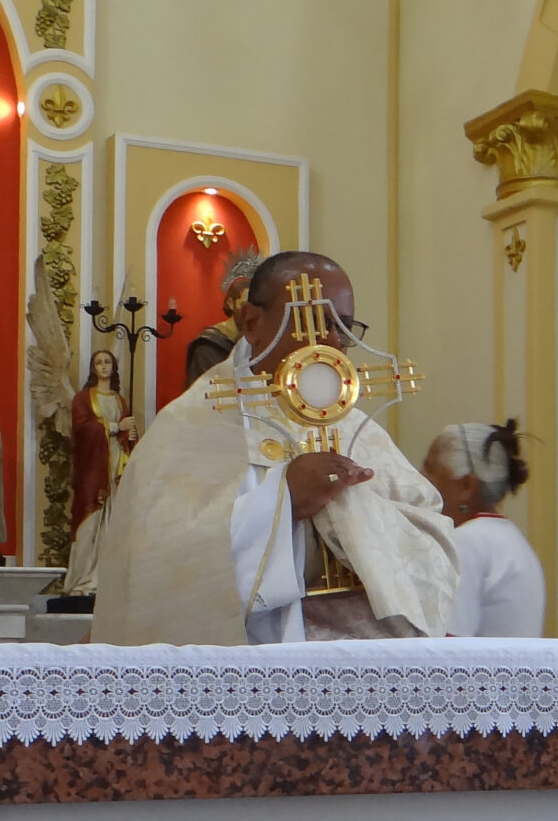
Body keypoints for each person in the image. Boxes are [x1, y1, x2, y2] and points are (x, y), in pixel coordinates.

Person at [90, 251, 457, 644]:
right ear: (251, 322)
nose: (333, 341)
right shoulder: (192, 424)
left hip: (367, 660)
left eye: (345, 327)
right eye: (314, 321)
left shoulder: (357, 427)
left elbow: (433, 536)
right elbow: (151, 559)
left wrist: (355, 513)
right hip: (246, 664)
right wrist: (283, 502)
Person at [423, 420, 544, 637]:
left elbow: (448, 644)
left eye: (430, 469)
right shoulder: (512, 538)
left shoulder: (465, 542)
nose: (420, 478)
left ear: (466, 485)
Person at [61, 349, 136, 591]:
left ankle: (105, 581)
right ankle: (82, 579)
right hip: (93, 468)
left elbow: (126, 436)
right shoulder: (83, 398)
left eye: (107, 362)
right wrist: (115, 427)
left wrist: (129, 436)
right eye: (99, 362)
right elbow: (82, 430)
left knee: (113, 522)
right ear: (93, 368)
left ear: (114, 368)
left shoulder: (119, 400)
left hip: (115, 466)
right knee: (90, 522)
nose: (103, 366)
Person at [184, 249, 261, 388]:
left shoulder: (256, 340)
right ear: (231, 303)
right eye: (244, 305)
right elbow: (204, 387)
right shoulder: (209, 345)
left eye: (254, 306)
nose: (249, 313)